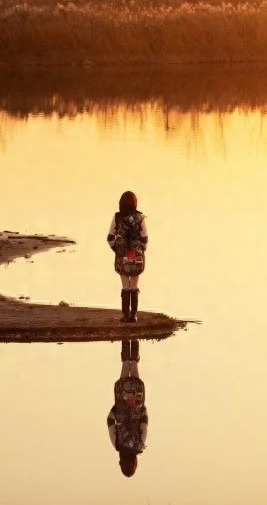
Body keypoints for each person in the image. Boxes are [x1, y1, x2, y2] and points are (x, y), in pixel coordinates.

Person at [107, 339, 149, 477]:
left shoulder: (140, 446)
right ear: (121, 463)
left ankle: (135, 336)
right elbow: (109, 421)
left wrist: (142, 408)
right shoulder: (117, 445)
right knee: (125, 366)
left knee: (135, 367)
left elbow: (144, 422)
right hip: (121, 401)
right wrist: (116, 408)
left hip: (136, 403)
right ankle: (125, 336)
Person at [108, 190, 148, 323]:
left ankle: (125, 315)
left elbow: (109, 238)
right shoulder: (140, 218)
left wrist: (116, 250)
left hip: (122, 257)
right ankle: (134, 316)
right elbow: (145, 239)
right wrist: (142, 251)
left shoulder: (117, 217)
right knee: (134, 286)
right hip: (136, 258)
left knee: (125, 286)